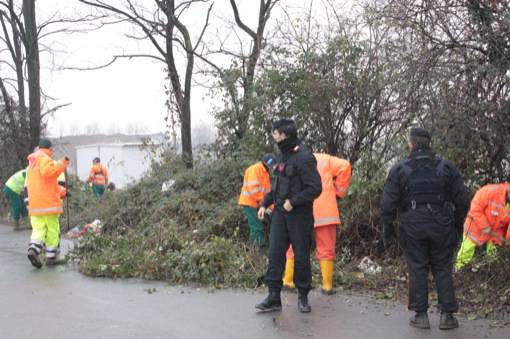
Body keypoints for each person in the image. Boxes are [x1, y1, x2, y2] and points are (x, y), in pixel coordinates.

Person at [381, 128, 470, 330]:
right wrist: (456, 224)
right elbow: (463, 200)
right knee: (442, 268)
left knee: (417, 267)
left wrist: (388, 229)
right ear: (430, 144)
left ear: (411, 144)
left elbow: (387, 205)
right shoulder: (446, 167)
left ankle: (421, 315)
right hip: (442, 224)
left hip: (412, 225)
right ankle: (447, 316)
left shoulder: (399, 169)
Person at [255, 119, 322, 313]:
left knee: (301, 256)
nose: (273, 136)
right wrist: (264, 203)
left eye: (275, 133)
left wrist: (294, 202)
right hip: (280, 215)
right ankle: (273, 296)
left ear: (284, 134)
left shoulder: (304, 157)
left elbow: (315, 188)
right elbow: (278, 187)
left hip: (299, 216)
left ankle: (303, 297)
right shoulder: (281, 156)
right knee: (275, 254)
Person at [283, 153, 352, 294]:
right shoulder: (325, 159)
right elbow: (345, 166)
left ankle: (288, 281)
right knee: (326, 248)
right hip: (325, 210)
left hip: (300, 209)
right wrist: (338, 192)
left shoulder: (292, 161)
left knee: (293, 245)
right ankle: (327, 286)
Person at [26, 138, 69, 268]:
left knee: (38, 228)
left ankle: (33, 249)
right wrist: (62, 164)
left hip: (35, 204)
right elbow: (49, 173)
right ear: (49, 148)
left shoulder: (31, 164)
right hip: (48, 203)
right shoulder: (44, 158)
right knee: (52, 229)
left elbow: (44, 184)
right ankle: (51, 256)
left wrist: (62, 191)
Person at [455, 182, 510, 270]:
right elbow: (476, 208)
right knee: (466, 250)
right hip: (475, 228)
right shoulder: (490, 191)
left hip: (495, 233)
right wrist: (485, 226)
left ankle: (482, 267)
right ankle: (458, 269)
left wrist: (508, 238)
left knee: (493, 254)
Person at [238, 154, 275, 248]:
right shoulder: (254, 170)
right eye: (271, 166)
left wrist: (271, 207)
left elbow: (268, 193)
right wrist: (263, 204)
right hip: (249, 202)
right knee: (256, 226)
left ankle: (255, 248)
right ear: (267, 164)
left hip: (257, 203)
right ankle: (257, 249)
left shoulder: (265, 173)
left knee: (257, 225)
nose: (273, 168)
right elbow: (253, 190)